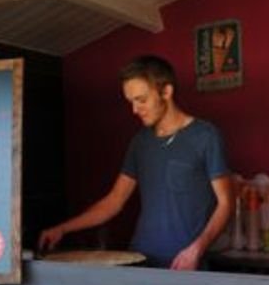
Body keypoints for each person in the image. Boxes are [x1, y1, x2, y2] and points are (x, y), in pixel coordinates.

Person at [38, 55, 231, 270]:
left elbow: (225, 204)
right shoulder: (140, 142)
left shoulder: (205, 136)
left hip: (185, 265)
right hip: (140, 260)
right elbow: (114, 201)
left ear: (166, 92)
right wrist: (63, 229)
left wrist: (197, 249)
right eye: (131, 101)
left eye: (141, 99)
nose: (135, 109)